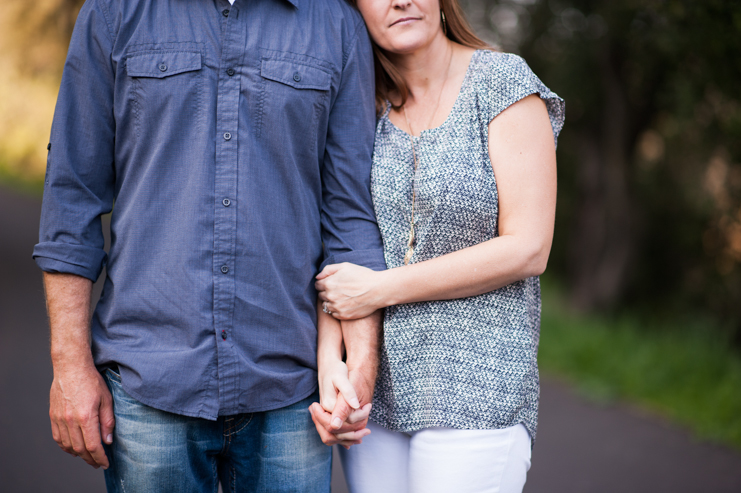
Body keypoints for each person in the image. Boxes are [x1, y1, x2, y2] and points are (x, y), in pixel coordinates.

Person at [33, 0, 385, 491]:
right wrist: (69, 366)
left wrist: (360, 369)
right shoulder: (115, 11)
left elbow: (350, 214)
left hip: (292, 390)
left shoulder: (335, 23)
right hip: (150, 379)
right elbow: (73, 193)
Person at [309, 0, 565, 491]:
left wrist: (382, 288)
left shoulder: (501, 83)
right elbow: (341, 244)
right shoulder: (361, 105)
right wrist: (333, 365)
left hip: (478, 388)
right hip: (379, 399)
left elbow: (529, 247)